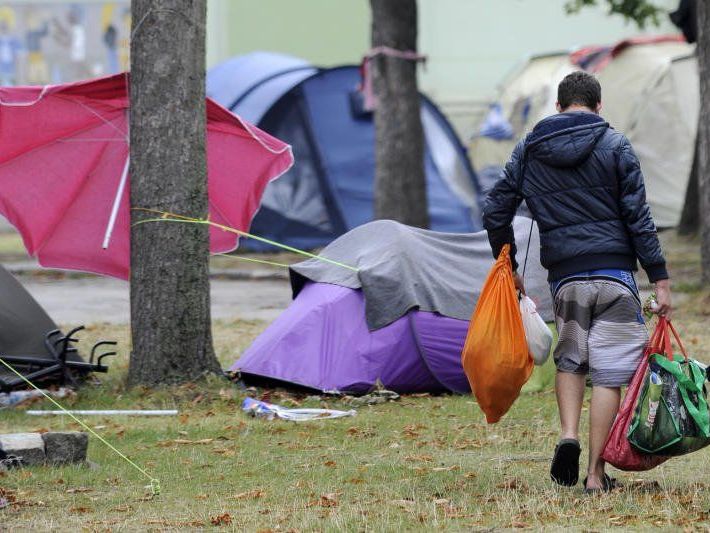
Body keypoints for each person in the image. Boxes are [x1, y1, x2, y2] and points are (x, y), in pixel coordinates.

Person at [482, 71, 672, 493]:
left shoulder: (530, 148)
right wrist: (658, 276)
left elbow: (496, 209)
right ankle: (594, 476)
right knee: (608, 375)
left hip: (565, 278)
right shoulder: (616, 145)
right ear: (599, 106)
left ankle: (568, 435)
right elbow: (638, 218)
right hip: (615, 276)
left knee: (571, 358)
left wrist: (508, 261)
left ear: (558, 107)